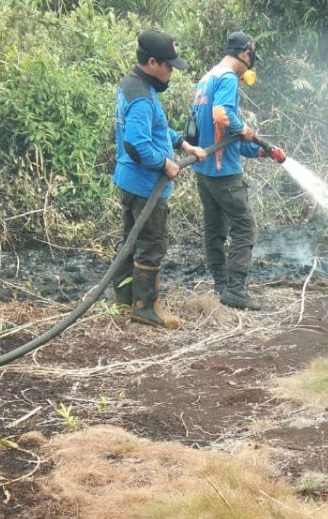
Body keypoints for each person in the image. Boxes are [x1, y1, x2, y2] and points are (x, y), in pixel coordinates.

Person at [113, 30, 206, 328]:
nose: (171, 72)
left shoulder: (132, 85)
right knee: (151, 245)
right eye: (169, 66)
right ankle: (145, 309)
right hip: (145, 186)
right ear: (152, 62)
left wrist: (182, 144)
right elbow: (137, 144)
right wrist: (165, 162)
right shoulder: (141, 96)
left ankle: (124, 303)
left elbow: (156, 128)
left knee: (130, 243)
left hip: (130, 181)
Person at [191, 31, 286, 311]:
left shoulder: (207, 78)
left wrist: (261, 150)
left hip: (204, 169)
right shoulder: (228, 78)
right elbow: (222, 116)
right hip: (224, 173)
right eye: (251, 58)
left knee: (214, 229)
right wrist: (244, 128)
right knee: (245, 227)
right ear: (246, 54)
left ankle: (221, 285)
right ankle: (235, 289)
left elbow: (221, 136)